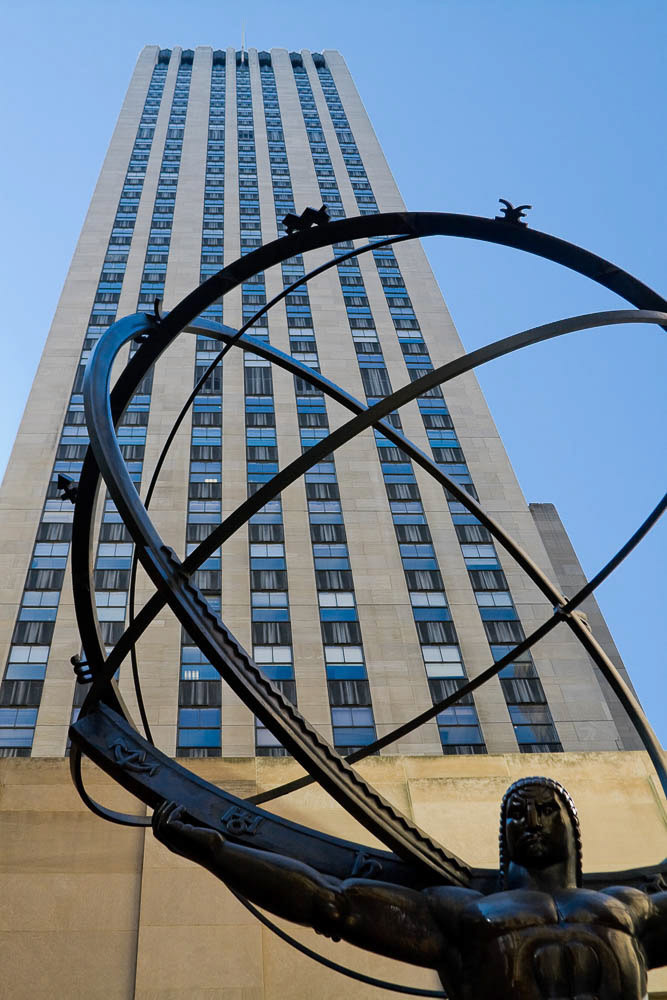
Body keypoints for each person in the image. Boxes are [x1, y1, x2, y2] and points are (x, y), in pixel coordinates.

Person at [152, 775, 666, 999]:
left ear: (570, 828)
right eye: (515, 813)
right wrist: (215, 851)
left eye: (544, 809)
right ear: (503, 834)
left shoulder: (632, 907)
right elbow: (332, 903)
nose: (529, 819)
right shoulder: (463, 910)